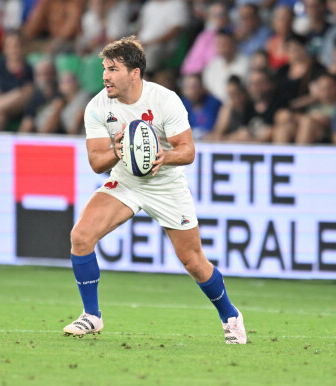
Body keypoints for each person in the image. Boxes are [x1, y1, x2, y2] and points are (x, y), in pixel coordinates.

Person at [62, 36, 247, 344]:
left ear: (135, 73)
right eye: (104, 68)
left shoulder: (164, 100)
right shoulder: (97, 106)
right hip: (127, 181)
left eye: (113, 69)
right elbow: (96, 162)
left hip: (166, 184)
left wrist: (166, 156)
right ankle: (91, 316)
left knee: (193, 261)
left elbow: (187, 151)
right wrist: (118, 150)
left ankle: (230, 316)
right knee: (81, 236)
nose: (105, 75)